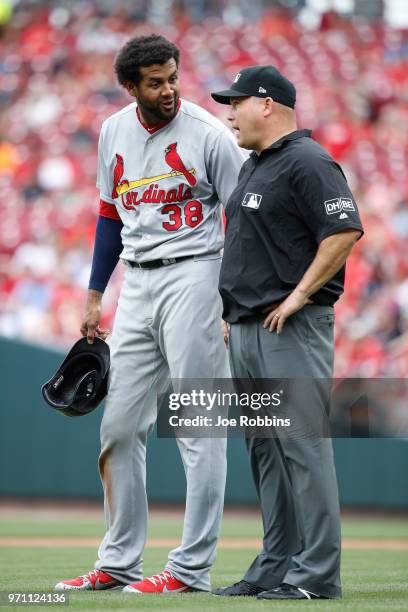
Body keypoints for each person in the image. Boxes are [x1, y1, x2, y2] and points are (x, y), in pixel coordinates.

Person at [55, 34, 245, 595]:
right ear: (131, 85)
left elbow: (243, 223)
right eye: (155, 81)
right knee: (117, 427)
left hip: (197, 271)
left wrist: (232, 298)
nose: (168, 89)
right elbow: (110, 215)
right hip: (136, 279)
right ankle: (118, 562)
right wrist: (95, 294)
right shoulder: (114, 131)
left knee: (197, 424)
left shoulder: (209, 134)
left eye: (173, 77)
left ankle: (190, 570)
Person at [211, 66, 364, 600]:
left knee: (302, 447)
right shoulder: (256, 165)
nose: (229, 113)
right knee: (266, 453)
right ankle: (276, 565)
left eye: (236, 102)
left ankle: (317, 574)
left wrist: (298, 296)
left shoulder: (309, 160)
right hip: (248, 328)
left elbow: (344, 229)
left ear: (266, 103)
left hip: (291, 328)